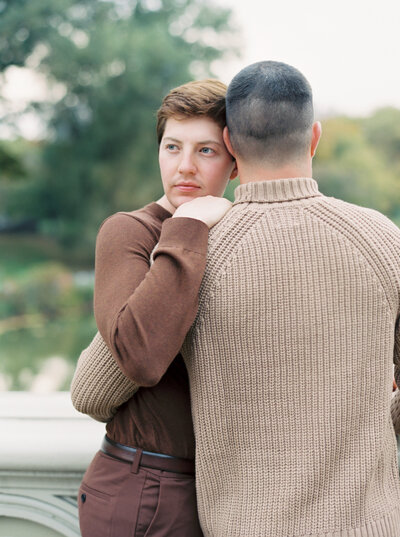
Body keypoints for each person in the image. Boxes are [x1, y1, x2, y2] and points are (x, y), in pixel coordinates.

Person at [178, 61, 400, 537]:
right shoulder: (383, 240)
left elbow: (94, 390)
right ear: (314, 137)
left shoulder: (196, 253)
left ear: (232, 146)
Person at [71, 79, 237, 537]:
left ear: (235, 161)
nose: (184, 167)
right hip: (144, 487)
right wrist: (187, 224)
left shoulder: (239, 236)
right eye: (172, 147)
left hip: (222, 493)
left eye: (206, 151)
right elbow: (139, 354)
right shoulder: (131, 232)